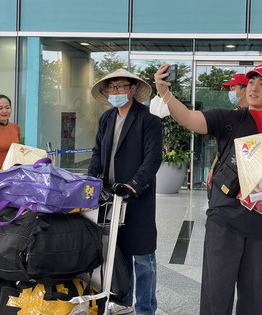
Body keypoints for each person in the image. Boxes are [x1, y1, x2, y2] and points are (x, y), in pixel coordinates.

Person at [154, 63, 262, 315]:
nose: (254, 88)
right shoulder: (230, 119)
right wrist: (165, 94)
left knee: (254, 299)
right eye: (250, 82)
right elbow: (190, 118)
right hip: (224, 217)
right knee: (216, 294)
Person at [87, 69, 162, 315]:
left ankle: (146, 308)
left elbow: (153, 158)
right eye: (112, 88)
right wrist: (91, 182)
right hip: (109, 197)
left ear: (132, 89)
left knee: (143, 256)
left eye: (121, 87)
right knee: (119, 252)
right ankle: (124, 301)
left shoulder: (148, 120)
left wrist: (134, 184)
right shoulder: (106, 118)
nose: (116, 92)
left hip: (136, 198)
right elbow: (98, 152)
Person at [206, 73, 249, 190]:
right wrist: (213, 168)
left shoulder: (252, 116)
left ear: (245, 90)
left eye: (233, 88)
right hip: (227, 175)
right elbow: (223, 149)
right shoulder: (234, 113)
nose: (230, 92)